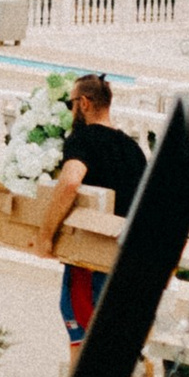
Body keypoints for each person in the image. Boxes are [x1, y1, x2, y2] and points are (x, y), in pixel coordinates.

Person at [34, 74, 147, 347]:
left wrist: (45, 234)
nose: (71, 110)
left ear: (84, 103)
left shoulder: (82, 140)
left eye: (71, 104)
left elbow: (71, 182)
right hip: (126, 263)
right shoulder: (133, 150)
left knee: (95, 353)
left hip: (91, 260)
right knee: (95, 350)